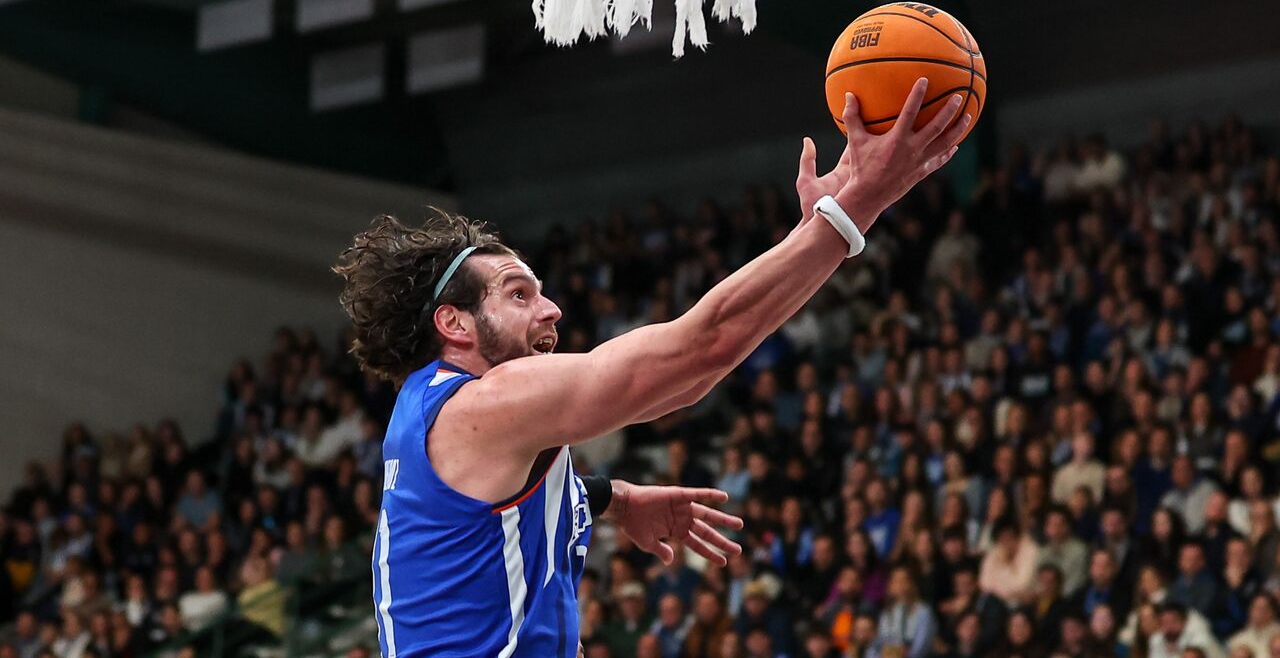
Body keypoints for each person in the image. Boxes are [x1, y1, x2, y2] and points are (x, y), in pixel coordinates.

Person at [334, 81, 969, 656]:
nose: (551, 309)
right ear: (455, 324)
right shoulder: (484, 405)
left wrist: (612, 498)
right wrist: (857, 207)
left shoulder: (434, 412)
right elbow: (703, 346)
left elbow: (688, 382)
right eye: (518, 294)